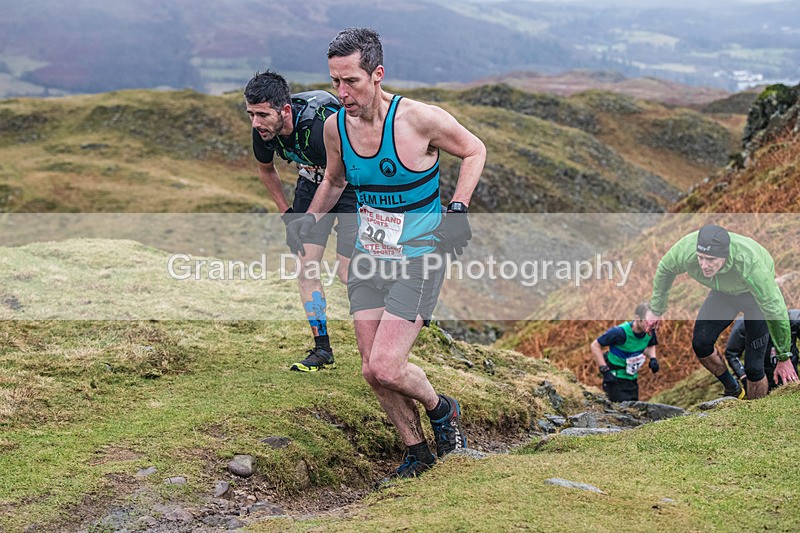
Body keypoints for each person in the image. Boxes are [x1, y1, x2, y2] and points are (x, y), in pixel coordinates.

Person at [286, 27, 486, 478]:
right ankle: (416, 453)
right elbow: (334, 181)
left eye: (350, 81)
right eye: (335, 81)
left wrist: (458, 210)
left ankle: (442, 409)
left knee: (387, 364)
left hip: (419, 257)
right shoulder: (337, 125)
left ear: (377, 75)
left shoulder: (418, 120)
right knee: (371, 372)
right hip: (368, 258)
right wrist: (311, 223)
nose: (341, 93)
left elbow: (475, 150)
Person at [244, 70, 358, 372]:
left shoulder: (319, 126)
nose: (256, 123)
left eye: (262, 114)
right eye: (251, 114)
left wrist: (309, 218)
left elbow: (338, 178)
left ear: (284, 111)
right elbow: (266, 170)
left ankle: (403, 302)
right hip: (311, 181)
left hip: (348, 185)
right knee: (306, 267)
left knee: (348, 274)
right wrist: (288, 216)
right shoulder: (263, 132)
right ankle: (322, 349)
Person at [644, 224, 799, 399]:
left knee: (754, 368)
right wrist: (656, 309)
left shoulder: (748, 263)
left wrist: (784, 356)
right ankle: (733, 388)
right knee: (701, 344)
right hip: (723, 293)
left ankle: (755, 415)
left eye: (711, 259)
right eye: (701, 257)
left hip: (753, 296)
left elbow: (775, 307)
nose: (704, 265)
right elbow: (665, 269)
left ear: (725, 256)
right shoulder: (686, 250)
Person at [591, 302, 659, 402]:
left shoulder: (649, 331)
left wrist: (653, 358)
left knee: (633, 410)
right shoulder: (619, 332)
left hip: (632, 379)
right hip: (614, 379)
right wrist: (603, 368)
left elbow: (650, 345)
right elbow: (595, 345)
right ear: (637, 317)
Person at [725, 309, 800, 392]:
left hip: (790, 376)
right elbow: (731, 354)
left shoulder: (793, 319)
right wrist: (744, 377)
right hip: (760, 377)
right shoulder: (743, 324)